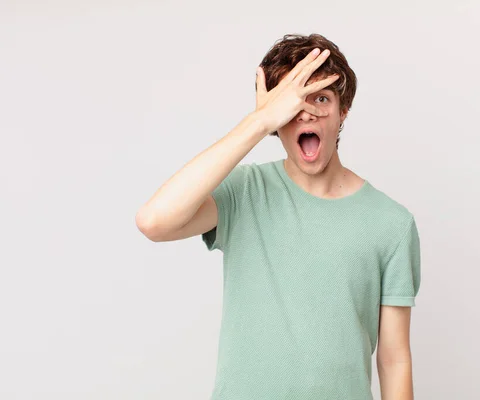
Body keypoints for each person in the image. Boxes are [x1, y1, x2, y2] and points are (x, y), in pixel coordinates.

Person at [136, 33, 421, 400]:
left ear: (343, 109)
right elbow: (154, 222)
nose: (307, 112)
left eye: (321, 98)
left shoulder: (392, 224)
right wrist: (258, 121)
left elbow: (394, 360)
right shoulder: (245, 191)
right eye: (292, 100)